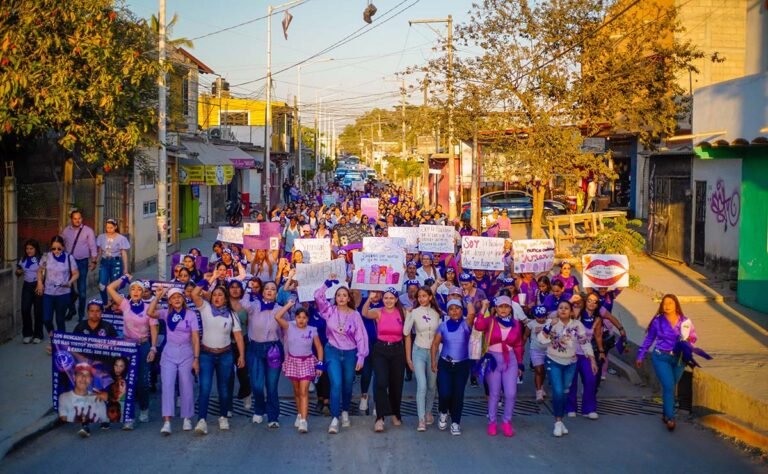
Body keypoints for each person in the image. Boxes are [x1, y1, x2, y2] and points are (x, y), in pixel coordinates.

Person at [312, 276, 368, 434]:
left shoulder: (355, 315)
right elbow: (317, 296)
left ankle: (345, 411)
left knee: (347, 384)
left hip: (350, 353)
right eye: (338, 295)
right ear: (335, 298)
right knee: (336, 384)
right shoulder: (329, 311)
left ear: (349, 298)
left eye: (344, 295)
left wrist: (361, 356)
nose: (341, 297)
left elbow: (361, 336)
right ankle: (335, 417)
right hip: (332, 350)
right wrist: (327, 283)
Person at [636, 294, 698, 432]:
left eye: (670, 303)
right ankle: (671, 417)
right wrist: (641, 355)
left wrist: (688, 342)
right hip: (661, 357)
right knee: (669, 386)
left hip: (679, 359)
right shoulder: (658, 321)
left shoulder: (685, 322)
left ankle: (665, 412)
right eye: (665, 303)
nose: (667, 306)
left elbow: (693, 338)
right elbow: (649, 339)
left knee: (670, 386)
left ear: (676, 305)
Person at [189, 284, 245, 435]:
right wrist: (205, 281)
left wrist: (241, 355)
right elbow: (194, 295)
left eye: (220, 295)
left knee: (224, 388)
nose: (217, 298)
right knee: (205, 387)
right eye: (215, 295)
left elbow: (238, 336)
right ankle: (202, 420)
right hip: (206, 354)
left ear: (225, 298)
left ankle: (223, 416)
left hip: (225, 355)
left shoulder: (232, 315)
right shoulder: (205, 308)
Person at [537, 300, 597, 437]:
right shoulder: (551, 323)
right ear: (557, 310)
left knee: (564, 392)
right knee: (557, 390)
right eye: (560, 308)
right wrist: (548, 328)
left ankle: (560, 420)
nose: (563, 310)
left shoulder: (577, 325)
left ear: (571, 311)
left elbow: (584, 343)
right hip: (553, 361)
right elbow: (541, 340)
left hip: (571, 363)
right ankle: (557, 422)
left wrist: (592, 359)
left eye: (566, 308)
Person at [148, 287, 200, 436]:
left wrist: (196, 358)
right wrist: (157, 297)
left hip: (186, 351)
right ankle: (167, 421)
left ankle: (187, 418)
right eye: (173, 297)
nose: (177, 299)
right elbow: (150, 313)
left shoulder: (190, 315)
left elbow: (195, 338)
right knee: (168, 385)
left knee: (186, 385)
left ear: (183, 299)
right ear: (170, 301)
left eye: (179, 297)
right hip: (169, 352)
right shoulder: (166, 313)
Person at [106, 276, 154, 429]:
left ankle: (144, 408)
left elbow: (153, 328)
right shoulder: (125, 304)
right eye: (133, 289)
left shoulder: (148, 308)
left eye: (139, 289)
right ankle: (128, 417)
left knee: (141, 382)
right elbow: (109, 289)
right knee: (126, 382)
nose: (135, 291)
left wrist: (153, 348)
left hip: (143, 345)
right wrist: (124, 278)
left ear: (143, 292)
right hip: (127, 346)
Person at [475, 296, 521, 437]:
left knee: (510, 393)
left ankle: (507, 421)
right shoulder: (491, 321)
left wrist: (520, 364)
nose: (503, 309)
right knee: (494, 394)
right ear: (496, 308)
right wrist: (483, 308)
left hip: (510, 360)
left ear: (510, 309)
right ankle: (492, 422)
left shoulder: (516, 323)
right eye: (500, 306)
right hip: (493, 360)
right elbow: (478, 326)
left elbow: (518, 345)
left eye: (506, 306)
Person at [362, 288, 407, 432]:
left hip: (398, 350)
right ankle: (380, 417)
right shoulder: (378, 312)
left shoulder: (402, 312)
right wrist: (370, 298)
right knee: (381, 382)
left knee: (396, 384)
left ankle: (395, 413)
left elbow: (408, 333)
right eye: (386, 298)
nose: (388, 300)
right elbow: (364, 313)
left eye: (391, 298)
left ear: (396, 300)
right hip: (381, 350)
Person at [430, 299, 477, 436]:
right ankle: (443, 412)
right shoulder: (443, 326)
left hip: (462, 365)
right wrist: (433, 361)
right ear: (448, 311)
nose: (454, 311)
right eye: (451, 309)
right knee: (444, 393)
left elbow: (472, 313)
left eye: (457, 308)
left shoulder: (466, 324)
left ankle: (456, 422)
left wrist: (468, 299)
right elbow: (434, 345)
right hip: (445, 364)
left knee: (458, 395)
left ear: (461, 310)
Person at [275, 305, 324, 433]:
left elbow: (318, 347)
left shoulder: (312, 330)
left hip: (307, 362)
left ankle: (304, 421)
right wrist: (289, 305)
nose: (301, 320)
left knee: (304, 391)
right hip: (293, 362)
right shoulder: (289, 326)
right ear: (295, 318)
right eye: (298, 317)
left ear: (307, 319)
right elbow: (277, 316)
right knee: (296, 391)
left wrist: (320, 363)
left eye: (304, 317)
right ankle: (299, 413)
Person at [244, 281, 286, 428]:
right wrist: (248, 288)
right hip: (255, 348)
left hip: (273, 349)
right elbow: (243, 303)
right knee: (256, 384)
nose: (269, 291)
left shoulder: (280, 309)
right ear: (262, 291)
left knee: (272, 385)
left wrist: (286, 354)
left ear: (276, 293)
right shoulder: (254, 306)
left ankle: (273, 416)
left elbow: (285, 333)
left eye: (273, 289)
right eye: (267, 288)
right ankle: (259, 409)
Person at [403, 286, 441, 431]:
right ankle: (421, 420)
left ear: (430, 297)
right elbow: (406, 331)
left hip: (433, 352)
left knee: (432, 386)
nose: (422, 298)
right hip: (418, 351)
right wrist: (408, 315)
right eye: (419, 296)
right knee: (422, 385)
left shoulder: (437, 313)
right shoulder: (415, 312)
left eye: (425, 296)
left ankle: (428, 411)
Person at [565, 293, 606, 420]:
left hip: (586, 353)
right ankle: (570, 408)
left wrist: (601, 351)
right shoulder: (577, 312)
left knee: (591, 379)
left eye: (595, 302)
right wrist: (571, 300)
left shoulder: (598, 319)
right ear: (585, 301)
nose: (592, 304)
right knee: (571, 381)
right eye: (589, 301)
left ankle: (589, 409)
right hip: (571, 352)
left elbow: (598, 336)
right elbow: (563, 309)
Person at [37, 236, 79, 345]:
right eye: (53, 248)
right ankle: (53, 336)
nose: (56, 251)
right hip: (48, 293)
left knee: (60, 319)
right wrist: (40, 283)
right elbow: (40, 271)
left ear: (63, 247)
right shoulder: (46, 257)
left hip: (63, 293)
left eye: (59, 249)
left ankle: (61, 344)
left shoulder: (69, 258)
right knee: (46, 319)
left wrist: (69, 282)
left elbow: (76, 273)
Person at [61, 210, 98, 321]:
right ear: (71, 219)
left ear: (82, 219)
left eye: (79, 218)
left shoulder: (88, 231)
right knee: (67, 289)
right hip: (68, 263)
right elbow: (60, 244)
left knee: (82, 291)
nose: (77, 220)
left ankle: (81, 315)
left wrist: (94, 261)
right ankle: (72, 309)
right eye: (75, 218)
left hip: (82, 263)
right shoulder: (66, 231)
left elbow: (93, 247)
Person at [58, 362, 107, 438]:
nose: (84, 378)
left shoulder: (97, 398)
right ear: (74, 377)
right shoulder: (64, 397)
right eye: (80, 374)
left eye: (87, 375)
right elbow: (63, 418)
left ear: (91, 380)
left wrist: (109, 398)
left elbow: (105, 420)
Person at [97, 219, 130, 305]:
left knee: (113, 286)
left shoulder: (121, 238)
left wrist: (125, 269)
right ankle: (105, 303)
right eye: (107, 227)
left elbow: (124, 253)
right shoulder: (101, 237)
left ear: (115, 227)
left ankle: (114, 304)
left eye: (111, 228)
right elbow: (100, 252)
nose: (109, 229)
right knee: (102, 285)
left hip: (116, 263)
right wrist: (95, 262)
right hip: (104, 262)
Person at [17, 239, 44, 343]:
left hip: (38, 285)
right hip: (27, 286)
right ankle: (28, 334)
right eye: (27, 248)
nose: (29, 251)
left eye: (31, 248)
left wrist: (40, 284)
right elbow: (18, 271)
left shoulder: (41, 259)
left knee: (38, 311)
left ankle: (38, 335)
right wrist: (18, 271)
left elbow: (44, 272)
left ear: (36, 249)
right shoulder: (23, 259)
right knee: (25, 309)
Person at [526, 305, 551, 402]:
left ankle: (541, 386)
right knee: (538, 370)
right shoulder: (531, 324)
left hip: (548, 350)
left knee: (544, 371)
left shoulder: (550, 323)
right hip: (535, 350)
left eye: (543, 316)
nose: (540, 319)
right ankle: (538, 391)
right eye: (538, 317)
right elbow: (525, 336)